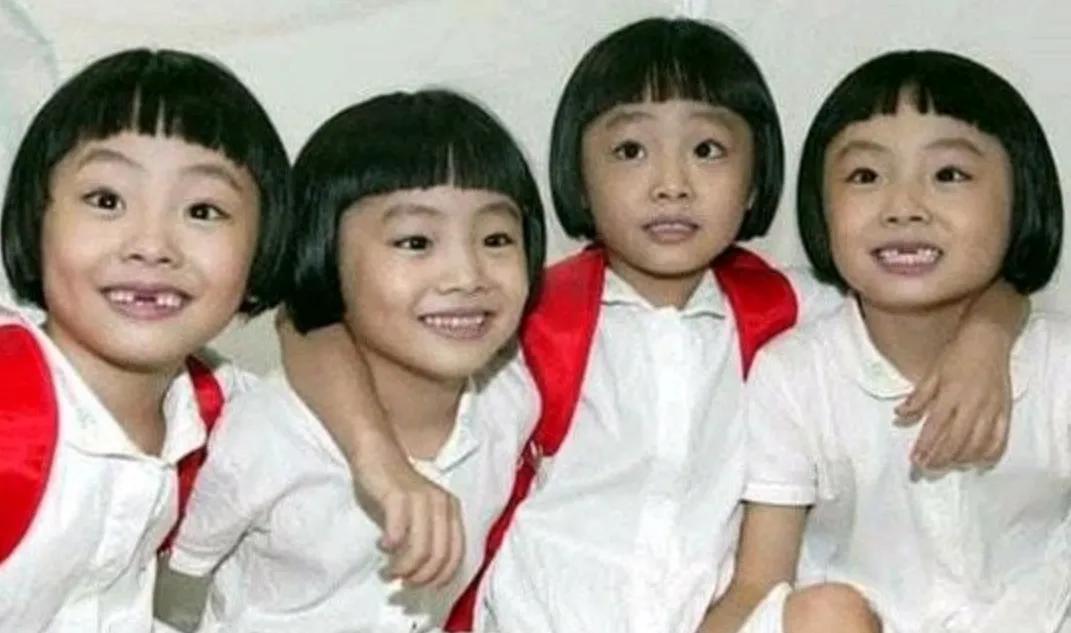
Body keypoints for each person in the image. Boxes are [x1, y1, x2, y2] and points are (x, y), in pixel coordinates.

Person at [282, 19, 1025, 633]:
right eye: (630, 150)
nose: (671, 183)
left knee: (831, 613)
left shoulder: (786, 306)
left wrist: (988, 335)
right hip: (549, 611)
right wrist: (380, 464)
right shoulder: (532, 307)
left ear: (756, 178)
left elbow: (948, 283)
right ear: (578, 174)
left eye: (707, 150)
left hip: (719, 615)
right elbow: (307, 323)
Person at [704, 49, 1068, 633]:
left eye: (949, 175)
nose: (903, 207)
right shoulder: (796, 374)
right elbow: (758, 584)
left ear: (1022, 196)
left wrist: (991, 332)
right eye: (865, 176)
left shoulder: (1058, 368)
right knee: (822, 613)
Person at [164, 90, 545, 632]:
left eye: (497, 238)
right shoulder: (264, 434)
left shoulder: (512, 400)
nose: (467, 275)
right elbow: (165, 581)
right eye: (415, 242)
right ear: (324, 251)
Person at [0, 48, 292, 633]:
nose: (152, 245)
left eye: (203, 210)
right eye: (106, 201)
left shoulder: (215, 407)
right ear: (36, 219)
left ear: (263, 245)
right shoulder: (12, 405)